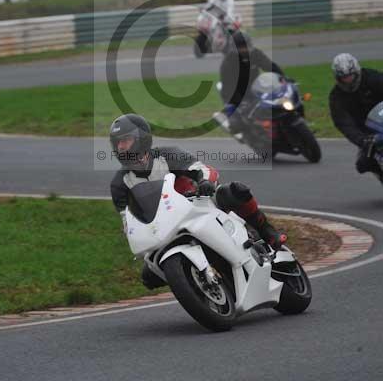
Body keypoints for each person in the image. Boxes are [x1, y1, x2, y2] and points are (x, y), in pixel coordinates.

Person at [110, 113, 287, 289]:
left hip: (197, 205)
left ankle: (267, 231)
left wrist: (205, 181)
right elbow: (128, 220)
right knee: (148, 277)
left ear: (142, 138)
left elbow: (201, 169)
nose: (121, 147)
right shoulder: (119, 184)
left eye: (125, 141)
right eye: (117, 143)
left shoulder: (167, 155)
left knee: (235, 191)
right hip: (163, 230)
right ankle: (195, 284)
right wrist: (132, 233)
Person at [329, 53, 383, 180]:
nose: (348, 80)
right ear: (338, 78)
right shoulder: (336, 97)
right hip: (368, 134)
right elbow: (343, 123)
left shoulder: (373, 78)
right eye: (344, 78)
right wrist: (361, 140)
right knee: (363, 164)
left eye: (350, 76)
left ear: (357, 72)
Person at [219, 30, 285, 134]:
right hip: (238, 94)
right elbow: (227, 89)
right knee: (237, 124)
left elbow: (270, 66)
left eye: (245, 47)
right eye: (240, 48)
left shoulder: (255, 53)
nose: (243, 51)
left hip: (257, 88)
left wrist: (283, 78)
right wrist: (234, 105)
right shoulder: (227, 63)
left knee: (282, 105)